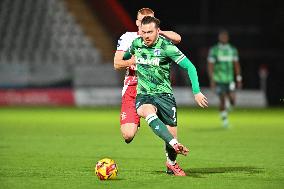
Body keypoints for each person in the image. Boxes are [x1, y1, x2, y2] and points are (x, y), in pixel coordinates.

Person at [124, 16, 208, 176]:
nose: (146, 35)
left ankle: (171, 163)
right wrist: (127, 63)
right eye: (143, 32)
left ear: (157, 31)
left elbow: (190, 67)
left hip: (165, 96)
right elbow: (125, 57)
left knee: (171, 135)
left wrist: (196, 91)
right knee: (147, 111)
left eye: (150, 32)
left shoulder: (166, 47)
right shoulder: (136, 43)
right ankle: (175, 144)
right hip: (144, 94)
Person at [113, 8, 181, 144]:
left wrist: (159, 32)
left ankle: (171, 162)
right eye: (143, 20)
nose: (147, 23)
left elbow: (178, 38)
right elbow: (117, 63)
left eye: (151, 20)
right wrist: (136, 60)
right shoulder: (128, 38)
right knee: (128, 135)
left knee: (171, 132)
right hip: (133, 88)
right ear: (137, 22)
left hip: (156, 89)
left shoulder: (159, 38)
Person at [207, 29, 242, 128]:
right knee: (222, 99)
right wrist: (212, 79)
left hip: (230, 79)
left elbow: (236, 65)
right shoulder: (214, 50)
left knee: (232, 99)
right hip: (218, 79)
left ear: (227, 38)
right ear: (219, 38)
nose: (223, 38)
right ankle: (225, 120)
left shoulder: (232, 50)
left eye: (225, 37)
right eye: (222, 36)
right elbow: (210, 65)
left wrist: (239, 78)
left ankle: (229, 104)